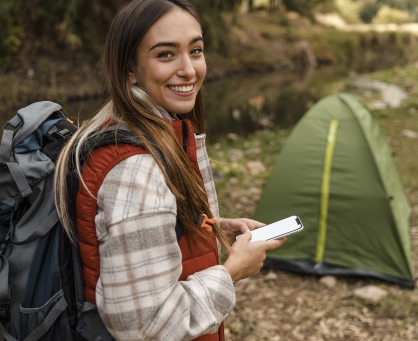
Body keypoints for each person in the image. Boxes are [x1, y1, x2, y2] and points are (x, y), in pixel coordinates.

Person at [54, 0, 286, 340]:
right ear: (130, 69)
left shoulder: (133, 130)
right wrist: (232, 271)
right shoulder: (135, 170)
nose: (189, 69)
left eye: (195, 50)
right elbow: (144, 326)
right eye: (166, 54)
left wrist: (208, 228)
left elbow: (143, 230)